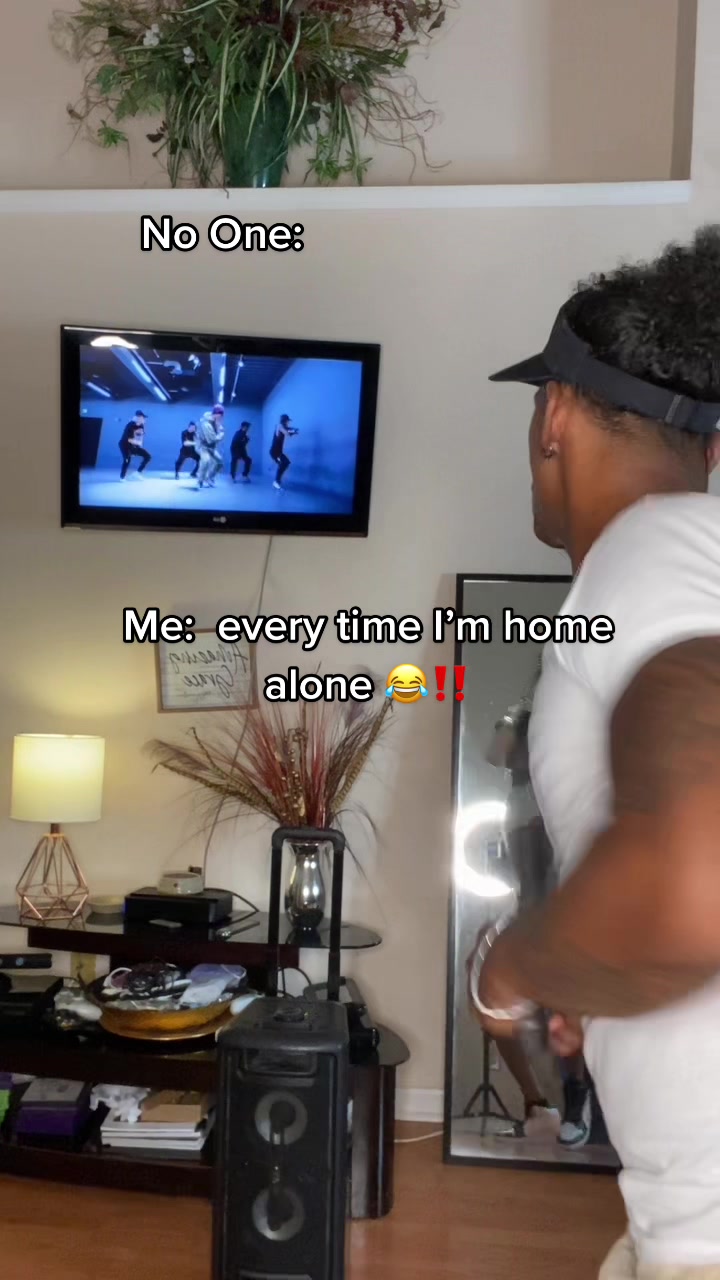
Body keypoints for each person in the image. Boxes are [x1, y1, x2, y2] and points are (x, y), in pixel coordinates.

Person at [471, 225, 720, 1277]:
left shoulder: (651, 550)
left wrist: (516, 963)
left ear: (556, 416)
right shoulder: (689, 559)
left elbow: (698, 868)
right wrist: (595, 953)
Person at [195, 404, 225, 489]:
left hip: (211, 447)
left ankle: (209, 478)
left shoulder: (215, 421)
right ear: (217, 414)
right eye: (220, 415)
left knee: (219, 462)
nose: (221, 417)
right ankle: (200, 481)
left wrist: (219, 427)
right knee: (206, 460)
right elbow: (211, 439)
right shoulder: (206, 424)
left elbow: (219, 430)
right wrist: (221, 434)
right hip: (202, 446)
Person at [119, 410, 151, 480]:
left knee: (148, 456)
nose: (144, 419)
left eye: (144, 418)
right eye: (142, 417)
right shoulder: (130, 425)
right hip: (124, 445)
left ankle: (137, 473)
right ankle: (122, 477)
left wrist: (138, 446)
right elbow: (128, 439)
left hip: (133, 445)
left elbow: (140, 437)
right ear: (137, 418)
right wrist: (137, 444)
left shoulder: (142, 426)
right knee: (127, 459)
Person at [269, 414, 298, 490]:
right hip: (275, 452)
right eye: (288, 421)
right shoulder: (279, 426)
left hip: (278, 452)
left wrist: (293, 430)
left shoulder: (283, 427)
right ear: (285, 421)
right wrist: (293, 431)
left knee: (285, 463)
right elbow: (286, 433)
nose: (288, 422)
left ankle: (277, 481)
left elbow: (287, 430)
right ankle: (276, 482)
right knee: (283, 463)